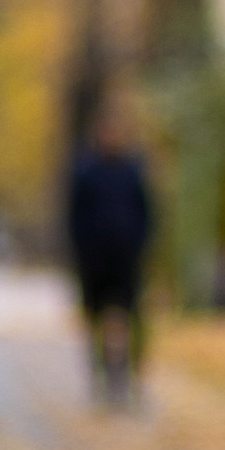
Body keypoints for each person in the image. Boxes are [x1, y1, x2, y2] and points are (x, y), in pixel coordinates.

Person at [66, 97, 153, 404]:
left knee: (132, 319)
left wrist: (140, 246)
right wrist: (82, 253)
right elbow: (74, 216)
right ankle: (101, 379)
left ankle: (130, 379)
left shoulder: (132, 169)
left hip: (127, 260)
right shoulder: (86, 171)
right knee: (96, 321)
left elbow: (147, 212)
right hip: (94, 262)